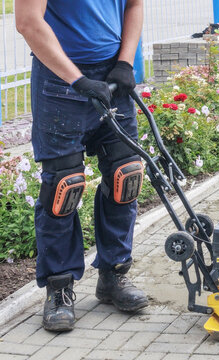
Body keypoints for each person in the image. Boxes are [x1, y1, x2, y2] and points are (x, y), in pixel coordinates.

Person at [15, 0, 148, 332]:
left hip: (113, 76)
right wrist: (78, 81)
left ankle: (114, 274)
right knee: (64, 187)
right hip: (60, 82)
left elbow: (133, 5)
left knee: (125, 176)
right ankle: (59, 289)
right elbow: (28, 23)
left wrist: (125, 63)